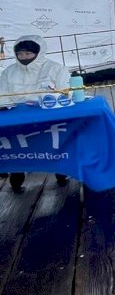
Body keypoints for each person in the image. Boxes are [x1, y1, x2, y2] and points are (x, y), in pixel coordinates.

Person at [0, 35, 71, 193]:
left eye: (28, 54)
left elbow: (66, 92)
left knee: (54, 143)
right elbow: (2, 94)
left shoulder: (55, 68)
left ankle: (61, 171)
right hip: (16, 118)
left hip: (48, 118)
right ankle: (16, 173)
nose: (24, 57)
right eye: (20, 54)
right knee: (15, 145)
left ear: (38, 52)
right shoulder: (8, 72)